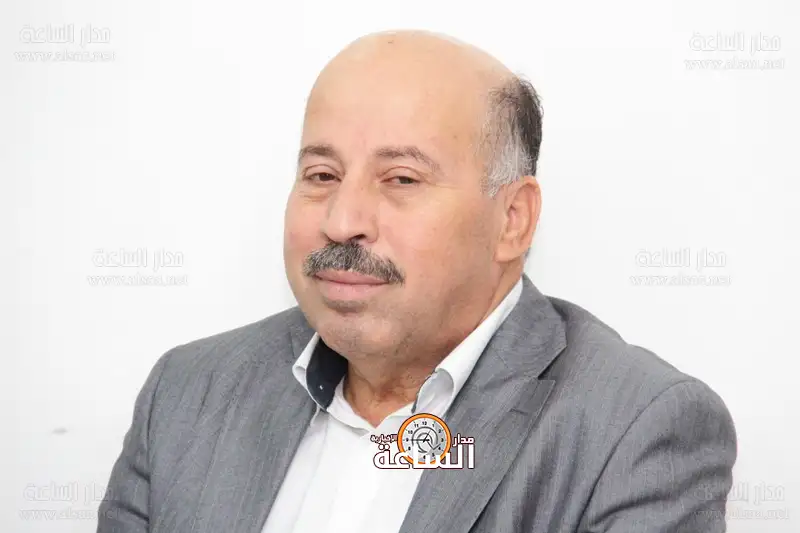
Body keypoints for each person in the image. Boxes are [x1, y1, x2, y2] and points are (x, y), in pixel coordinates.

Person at [97, 30, 737, 533]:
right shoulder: (185, 394)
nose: (342, 221)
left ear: (513, 220)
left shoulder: (635, 431)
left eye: (401, 179)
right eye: (321, 175)